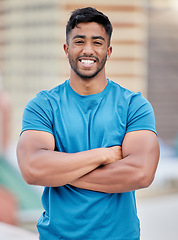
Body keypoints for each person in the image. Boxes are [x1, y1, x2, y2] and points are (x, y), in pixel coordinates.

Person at [16, 7, 160, 240]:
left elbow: (141, 173)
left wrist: (59, 173)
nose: (88, 50)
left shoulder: (134, 105)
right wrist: (103, 156)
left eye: (97, 42)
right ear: (67, 48)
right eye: (79, 41)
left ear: (108, 50)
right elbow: (33, 169)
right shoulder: (43, 105)